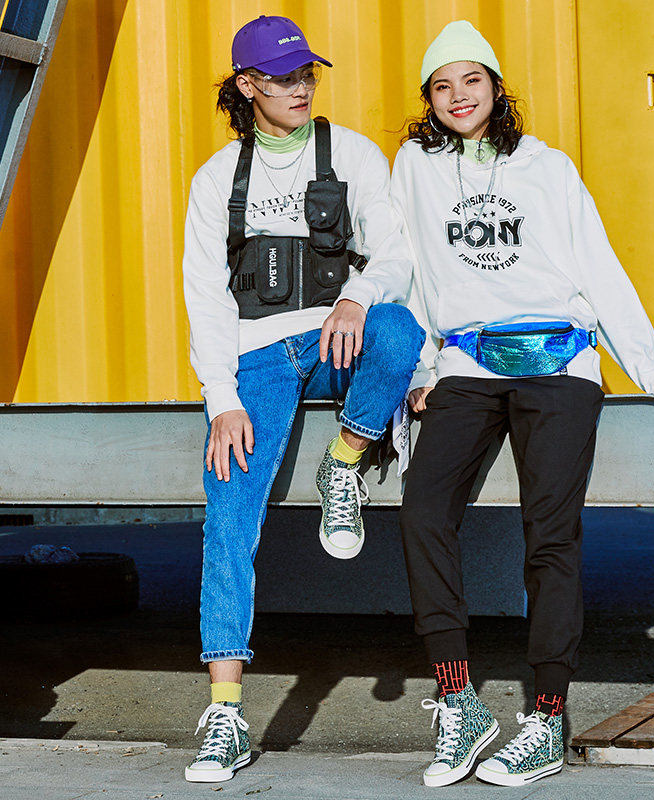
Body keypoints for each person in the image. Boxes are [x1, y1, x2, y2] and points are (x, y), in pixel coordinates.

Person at [337, 19, 654, 789]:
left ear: (495, 86)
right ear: (428, 99)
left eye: (471, 80)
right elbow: (408, 269)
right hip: (467, 365)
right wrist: (421, 365)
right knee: (423, 513)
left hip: (559, 364)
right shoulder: (414, 166)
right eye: (442, 86)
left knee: (549, 536)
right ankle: (459, 703)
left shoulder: (547, 168)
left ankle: (546, 719)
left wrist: (653, 372)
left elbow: (599, 268)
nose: (458, 96)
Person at [181, 15, 423, 783]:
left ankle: (342, 462)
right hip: (255, 360)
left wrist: (354, 297)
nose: (301, 88)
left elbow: (396, 252)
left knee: (397, 330)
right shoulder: (217, 178)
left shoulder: (349, 153)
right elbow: (205, 297)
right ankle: (225, 716)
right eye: (284, 77)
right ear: (247, 84)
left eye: (307, 74)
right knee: (229, 516)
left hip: (334, 339)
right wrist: (222, 399)